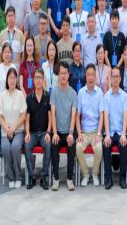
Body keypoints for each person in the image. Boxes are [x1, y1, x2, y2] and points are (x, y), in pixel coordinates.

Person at [0, 68, 27, 189]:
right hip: (5, 131)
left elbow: (23, 115)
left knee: (15, 147)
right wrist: (7, 128)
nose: (12, 80)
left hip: (18, 131)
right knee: (5, 148)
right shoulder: (2, 95)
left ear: (16, 80)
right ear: (7, 80)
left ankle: (18, 177)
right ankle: (11, 177)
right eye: (10, 78)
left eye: (14, 78)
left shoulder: (20, 95)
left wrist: (13, 128)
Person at [50, 62, 78, 191]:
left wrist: (71, 133)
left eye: (65, 73)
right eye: (61, 73)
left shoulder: (73, 93)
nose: (63, 75)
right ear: (58, 74)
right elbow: (53, 113)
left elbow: (73, 115)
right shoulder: (54, 92)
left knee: (72, 146)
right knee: (54, 145)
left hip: (69, 131)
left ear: (68, 75)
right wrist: (54, 133)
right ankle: (56, 178)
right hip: (57, 131)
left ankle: (69, 179)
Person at [75, 64, 104, 187]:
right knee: (78, 147)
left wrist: (99, 133)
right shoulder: (81, 92)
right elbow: (77, 116)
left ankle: (95, 174)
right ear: (85, 77)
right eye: (88, 75)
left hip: (96, 131)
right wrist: (79, 134)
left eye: (92, 75)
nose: (90, 77)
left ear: (95, 76)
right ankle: (86, 174)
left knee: (99, 148)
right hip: (84, 132)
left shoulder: (99, 92)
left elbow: (101, 115)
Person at [102, 67, 127, 189]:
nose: (115, 79)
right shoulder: (106, 96)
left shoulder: (124, 96)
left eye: (117, 76)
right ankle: (109, 179)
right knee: (106, 145)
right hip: (110, 131)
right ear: (110, 78)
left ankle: (122, 178)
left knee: (124, 145)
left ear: (120, 78)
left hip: (120, 131)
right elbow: (106, 116)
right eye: (113, 76)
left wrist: (124, 134)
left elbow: (125, 116)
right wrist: (107, 135)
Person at [24, 68, 52, 190]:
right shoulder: (29, 98)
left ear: (43, 80)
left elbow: (50, 117)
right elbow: (27, 118)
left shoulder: (48, 96)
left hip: (44, 133)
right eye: (36, 78)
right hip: (33, 133)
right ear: (34, 80)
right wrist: (27, 133)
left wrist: (48, 132)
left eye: (40, 78)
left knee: (48, 145)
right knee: (27, 145)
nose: (38, 80)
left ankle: (44, 176)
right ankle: (31, 176)